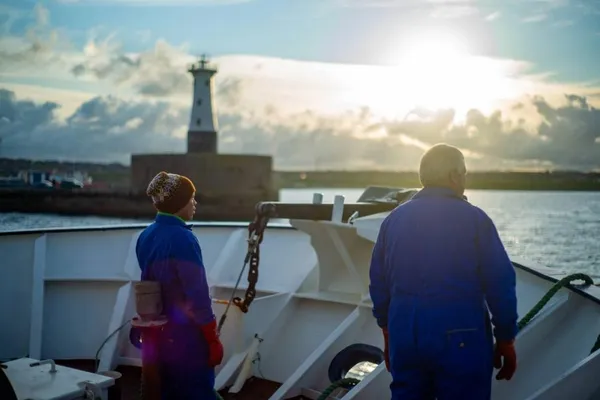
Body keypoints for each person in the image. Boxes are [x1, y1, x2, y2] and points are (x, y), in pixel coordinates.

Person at [369, 143, 518, 400]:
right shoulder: (475, 220)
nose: (464, 179)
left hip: (405, 333)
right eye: (464, 173)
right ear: (453, 175)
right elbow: (500, 283)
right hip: (460, 334)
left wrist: (389, 334)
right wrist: (505, 339)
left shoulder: (392, 221)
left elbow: (378, 284)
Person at [135, 171, 224, 400]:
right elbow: (197, 295)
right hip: (186, 337)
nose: (195, 203)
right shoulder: (184, 239)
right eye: (191, 198)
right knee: (198, 392)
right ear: (179, 203)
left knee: (167, 390)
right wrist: (211, 339)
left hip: (159, 333)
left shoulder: (145, 236)